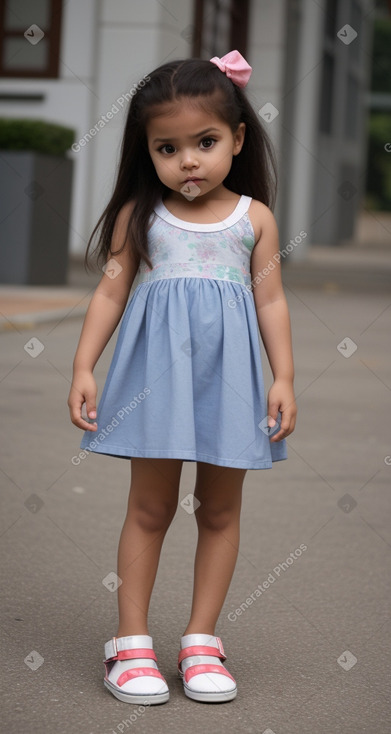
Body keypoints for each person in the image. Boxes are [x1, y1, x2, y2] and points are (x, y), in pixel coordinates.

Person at [68, 50, 297, 706]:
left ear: (238, 139)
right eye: (167, 148)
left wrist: (282, 376)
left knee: (220, 510)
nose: (187, 161)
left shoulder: (252, 219)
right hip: (156, 384)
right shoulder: (142, 216)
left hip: (230, 386)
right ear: (147, 152)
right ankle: (130, 641)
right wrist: (84, 364)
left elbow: (271, 301)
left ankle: (201, 639)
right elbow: (111, 293)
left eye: (204, 142)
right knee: (149, 507)